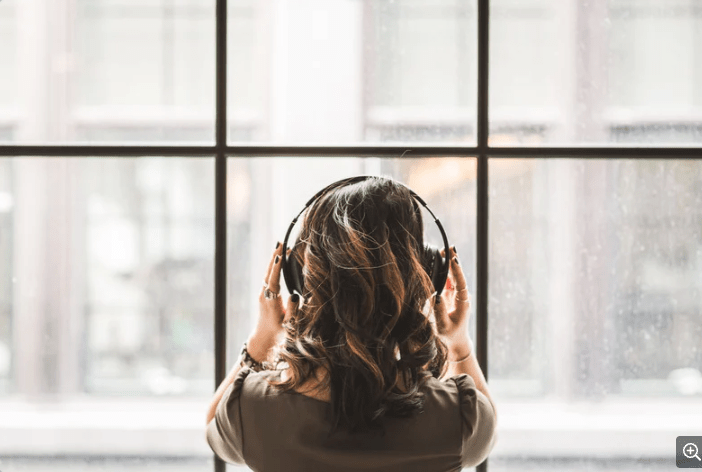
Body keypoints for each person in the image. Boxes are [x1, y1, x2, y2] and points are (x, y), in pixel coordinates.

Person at [206, 176, 497, 472]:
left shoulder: (251, 410)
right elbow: (485, 437)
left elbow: (215, 426)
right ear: (427, 274)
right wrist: (459, 344)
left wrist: (263, 338)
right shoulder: (458, 417)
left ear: (298, 279)